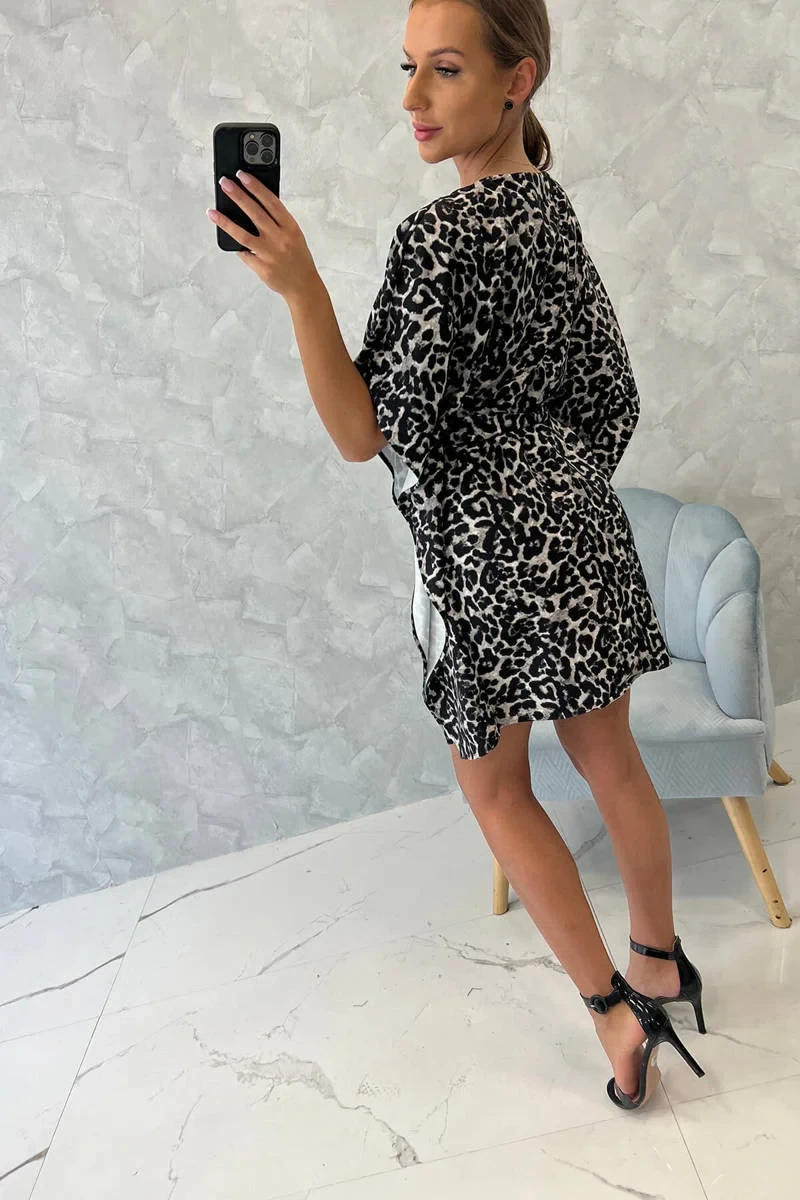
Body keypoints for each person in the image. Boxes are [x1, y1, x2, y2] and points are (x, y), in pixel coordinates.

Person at [351, 0, 707, 1110]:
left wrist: (296, 281)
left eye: (445, 70)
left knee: (492, 785)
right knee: (610, 756)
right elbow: (612, 392)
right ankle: (660, 963)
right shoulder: (549, 210)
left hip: (483, 556)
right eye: (408, 68)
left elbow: (364, 432)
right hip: (580, 526)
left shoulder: (438, 238)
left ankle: (614, 1014)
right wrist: (553, 484)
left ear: (519, 78)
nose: (412, 99)